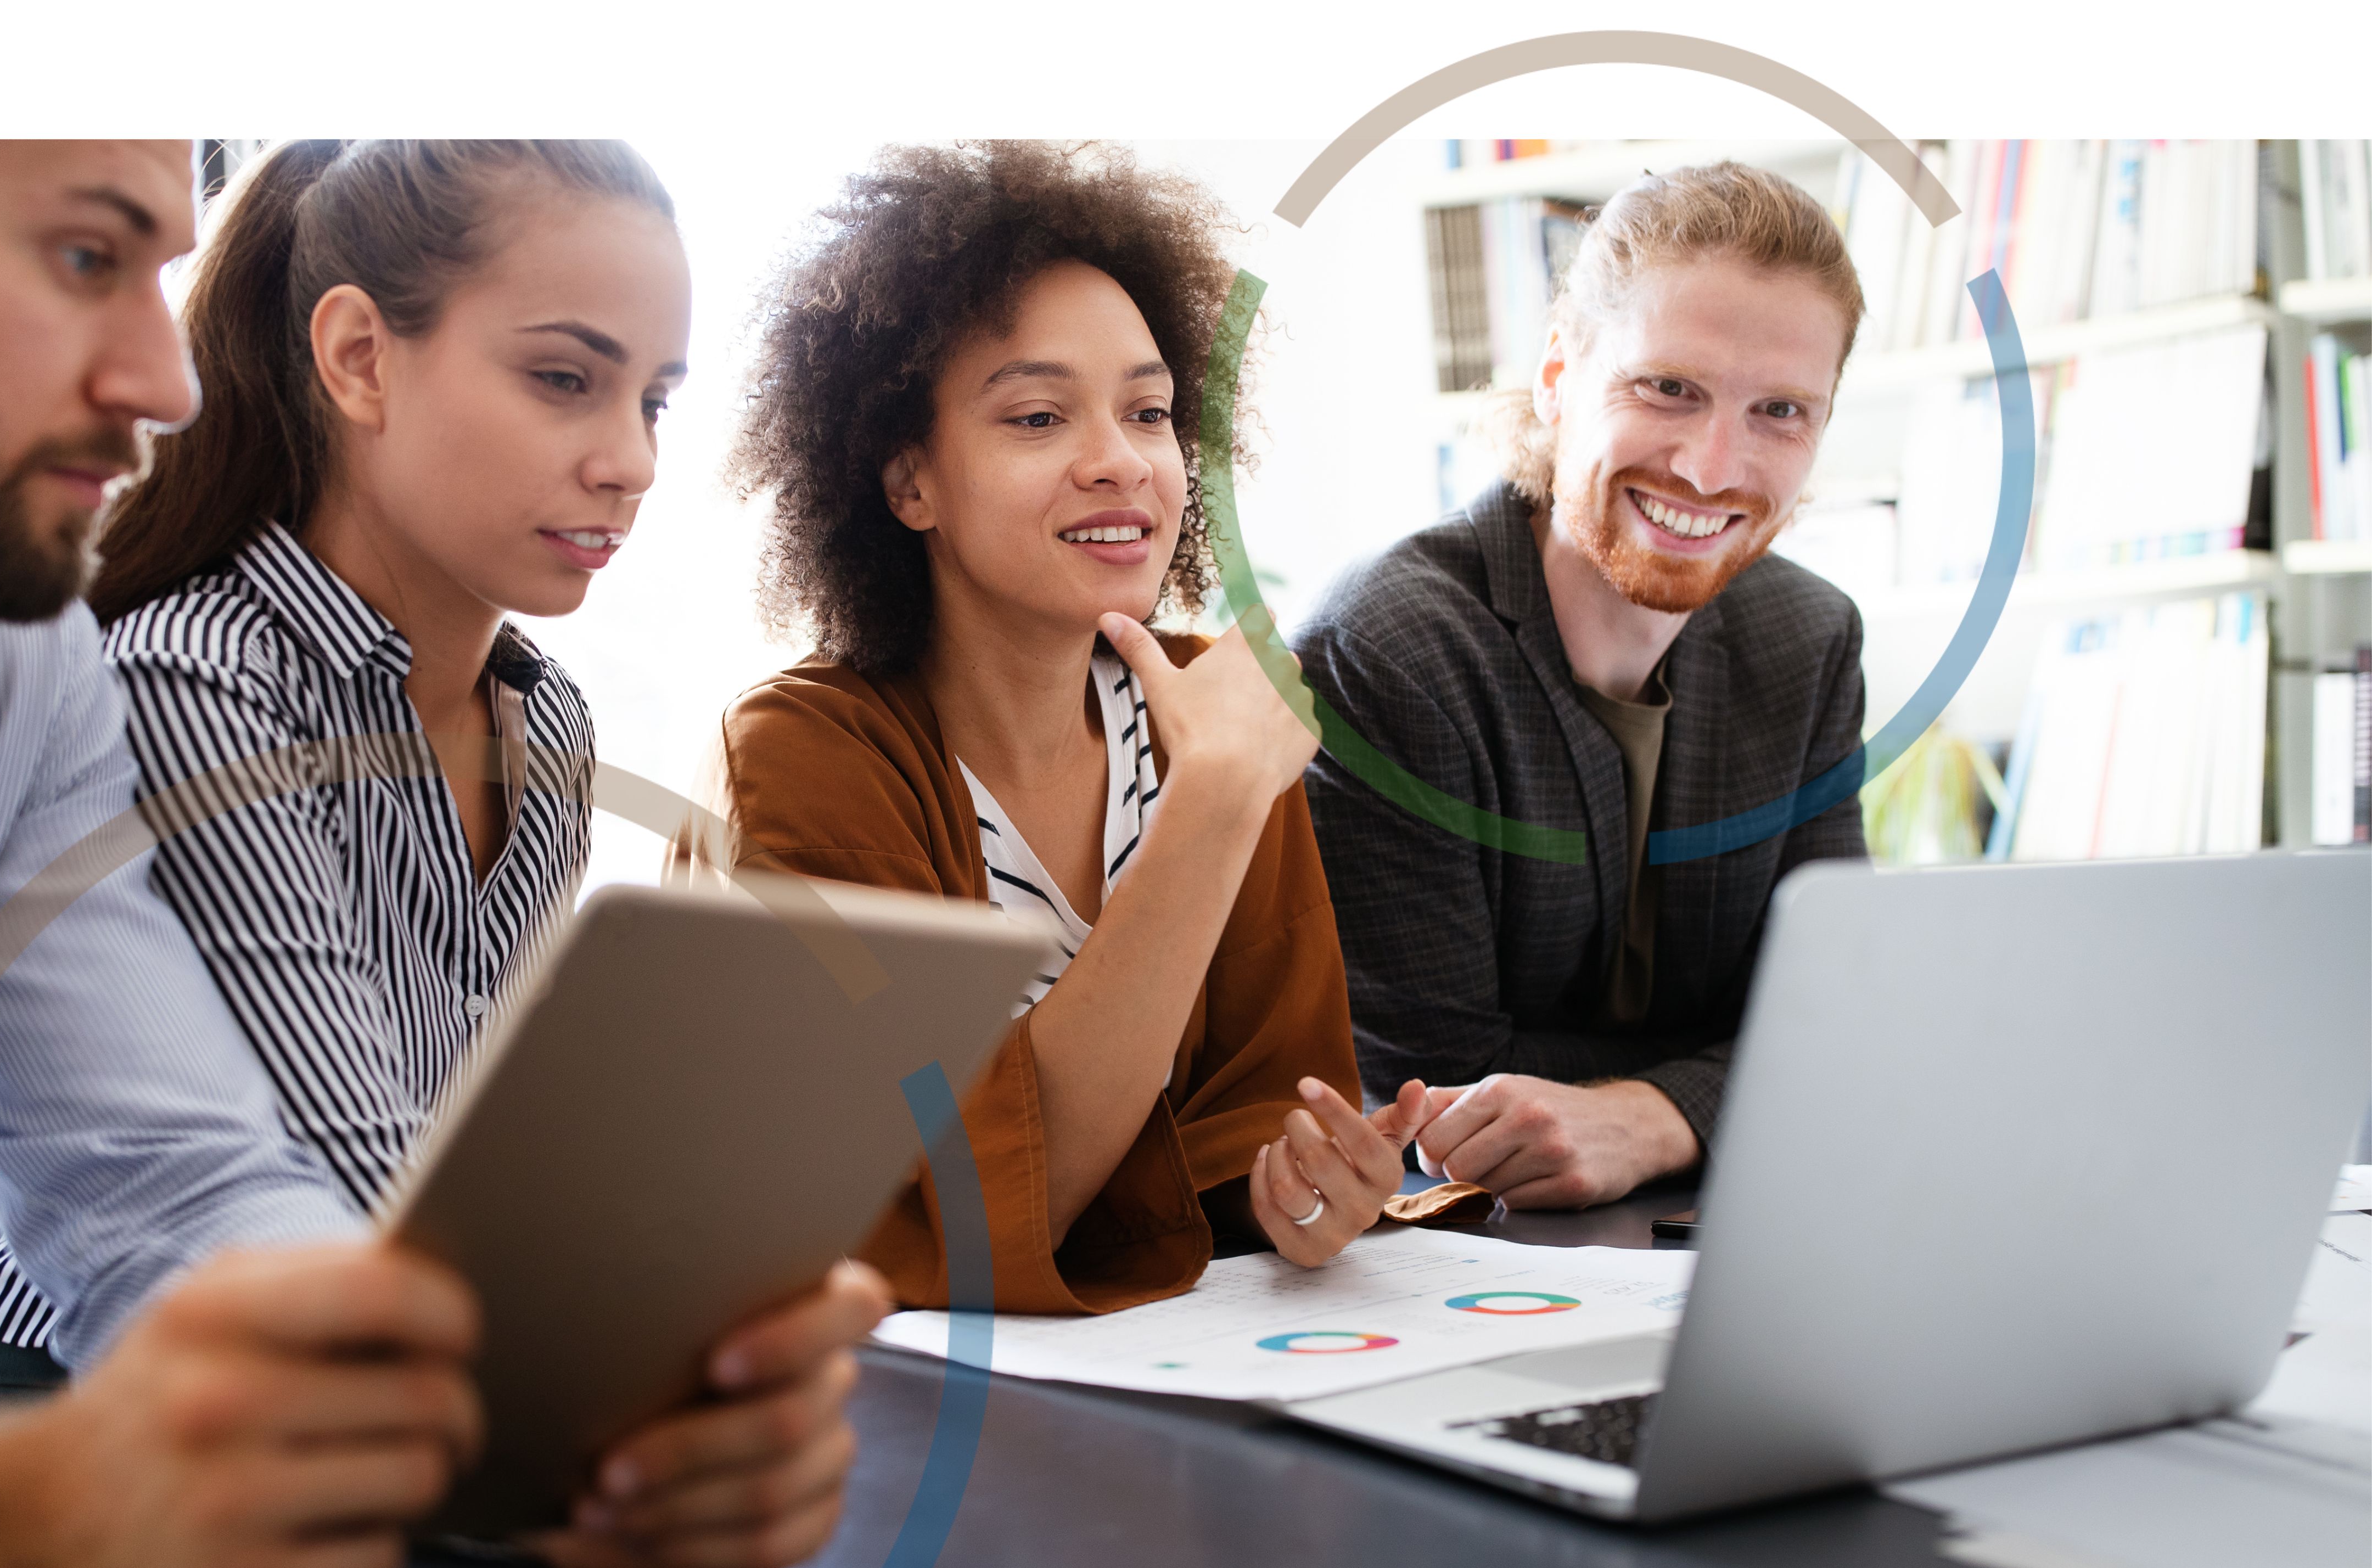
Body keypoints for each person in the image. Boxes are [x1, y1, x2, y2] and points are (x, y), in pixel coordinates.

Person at [0, 139, 876, 1568]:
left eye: (161, 273)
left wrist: (533, 1439)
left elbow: (176, 1187)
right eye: (85, 259)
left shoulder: (4, 676)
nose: (165, 382)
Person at [698, 140, 1421, 1318]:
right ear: (908, 482)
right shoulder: (802, 759)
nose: (1122, 463)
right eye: (1038, 418)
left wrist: (1304, 1194)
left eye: (1150, 411)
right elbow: (950, 1218)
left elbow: (1250, 1118)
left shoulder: (1215, 711)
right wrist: (1214, 807)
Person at [1288, 161, 1870, 1211]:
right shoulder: (1392, 649)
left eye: (1780, 410)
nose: (1711, 465)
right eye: (1668, 389)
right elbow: (1440, 1093)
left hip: (1721, 1228)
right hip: (1460, 1260)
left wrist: (1656, 1117)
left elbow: (1845, 1018)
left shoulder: (1809, 638)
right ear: (1559, 377)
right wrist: (1727, 1073)